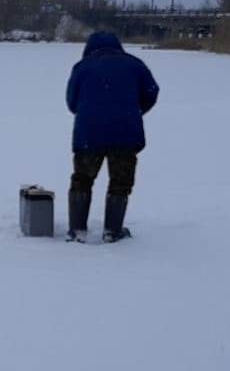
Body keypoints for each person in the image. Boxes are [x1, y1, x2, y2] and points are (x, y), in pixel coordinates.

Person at [65, 31, 160, 243]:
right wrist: (133, 110)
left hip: (89, 133)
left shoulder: (82, 67)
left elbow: (71, 101)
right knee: (120, 182)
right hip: (125, 134)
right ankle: (112, 231)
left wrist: (91, 113)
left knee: (82, 179)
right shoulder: (135, 65)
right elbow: (152, 92)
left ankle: (77, 230)